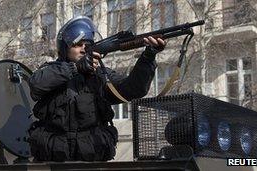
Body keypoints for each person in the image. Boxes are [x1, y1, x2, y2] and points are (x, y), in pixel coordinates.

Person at [28, 16, 166, 162]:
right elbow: (36, 84)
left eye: (87, 45)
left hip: (91, 159)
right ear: (64, 48)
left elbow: (133, 89)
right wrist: (75, 68)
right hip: (53, 160)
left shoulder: (100, 74)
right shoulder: (51, 71)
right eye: (77, 45)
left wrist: (148, 57)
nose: (83, 49)